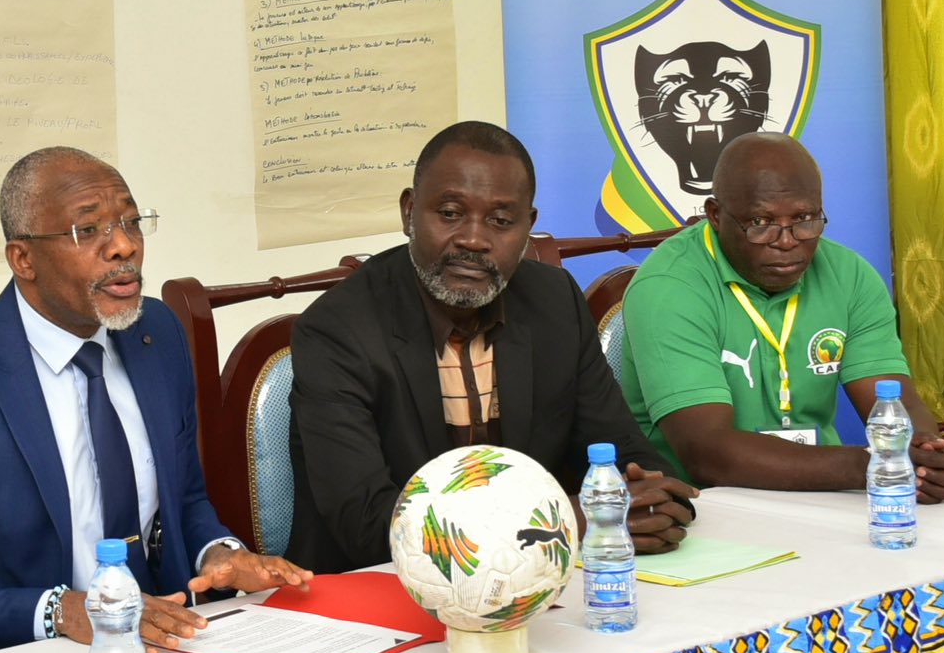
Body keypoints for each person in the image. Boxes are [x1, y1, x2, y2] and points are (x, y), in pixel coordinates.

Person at [0, 147, 311, 653]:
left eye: (130, 221)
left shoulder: (156, 335)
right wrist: (61, 612)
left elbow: (184, 499)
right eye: (88, 230)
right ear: (23, 259)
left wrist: (219, 555)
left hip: (162, 651)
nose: (123, 245)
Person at [288, 121, 696, 573]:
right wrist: (564, 524)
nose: (474, 239)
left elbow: (624, 454)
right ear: (408, 213)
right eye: (449, 213)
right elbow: (367, 526)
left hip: (534, 584)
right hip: (372, 598)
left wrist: (651, 501)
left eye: (501, 221)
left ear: (528, 227)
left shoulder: (553, 302)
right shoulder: (338, 331)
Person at [618, 132, 944, 499]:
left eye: (804, 218)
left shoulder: (850, 275)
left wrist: (924, 456)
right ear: (716, 216)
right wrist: (872, 465)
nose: (787, 241)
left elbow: (896, 402)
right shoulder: (668, 287)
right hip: (702, 506)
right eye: (760, 223)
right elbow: (708, 453)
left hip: (822, 494)